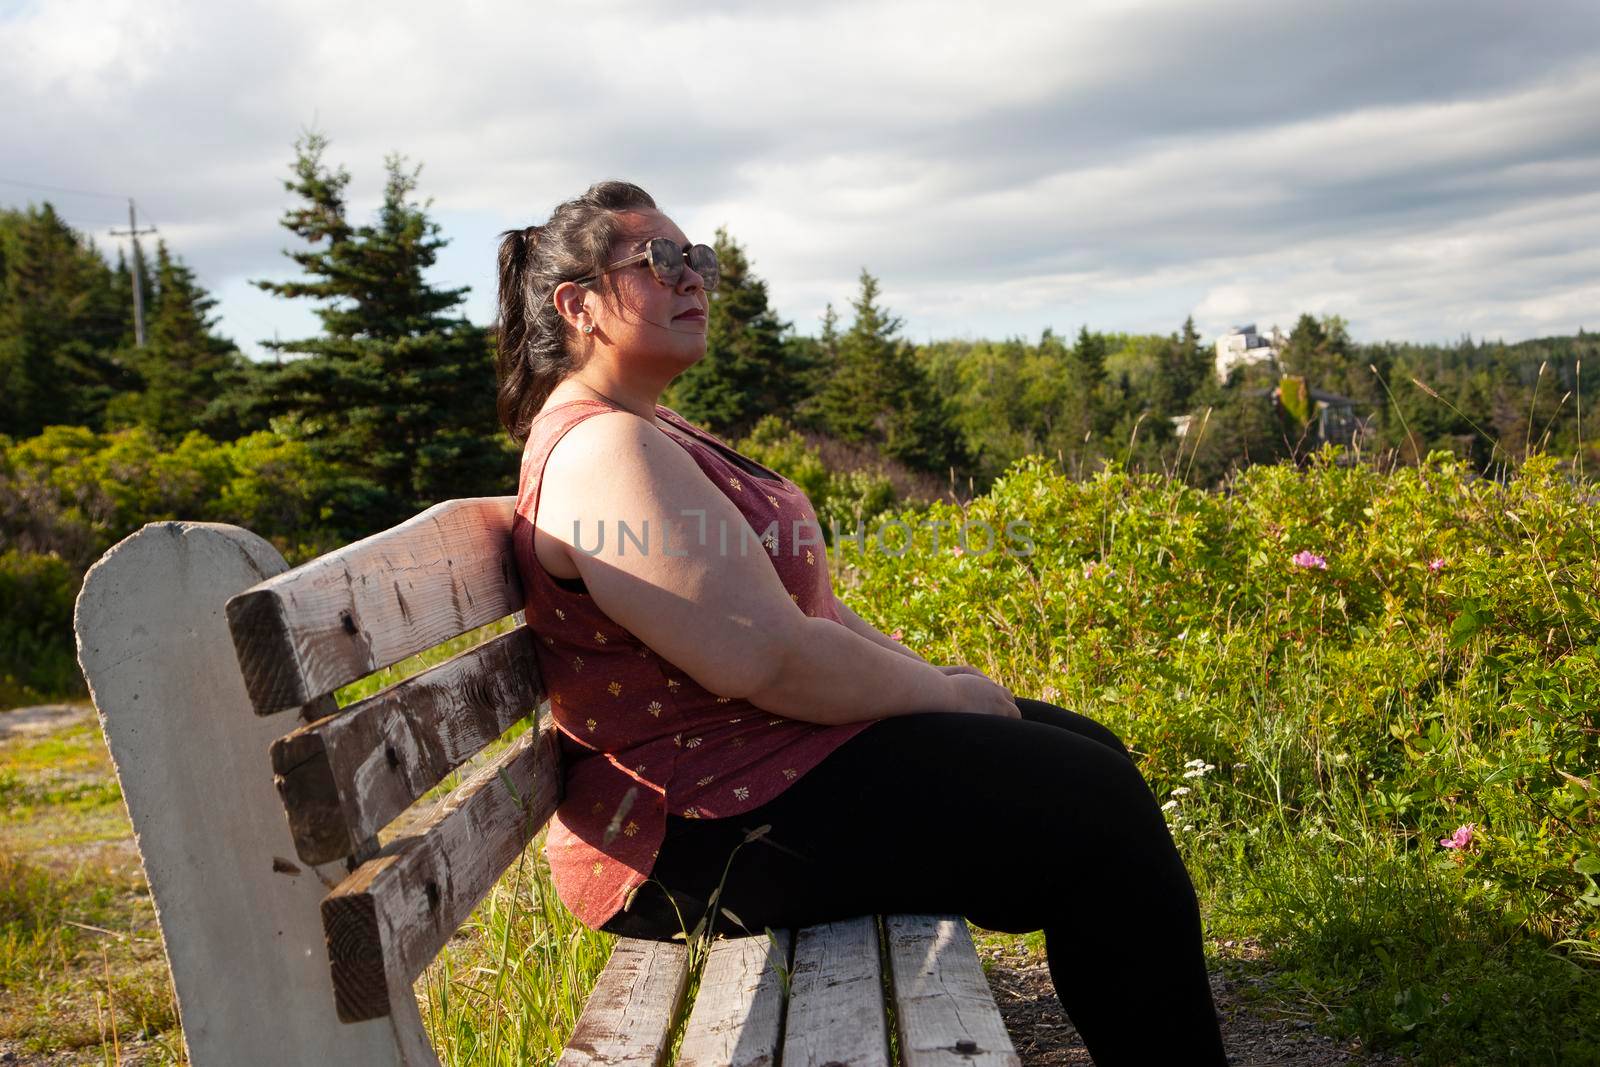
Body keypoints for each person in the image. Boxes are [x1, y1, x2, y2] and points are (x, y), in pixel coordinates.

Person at [495, 180, 1228, 1064]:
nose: (694, 279)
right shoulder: (606, 449)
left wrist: (945, 689)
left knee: (1089, 756)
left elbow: (811, 615)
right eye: (661, 261)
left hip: (757, 768)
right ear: (578, 305)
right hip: (688, 834)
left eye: (701, 260)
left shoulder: (650, 429)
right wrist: (947, 702)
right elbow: (767, 661)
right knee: (1093, 808)